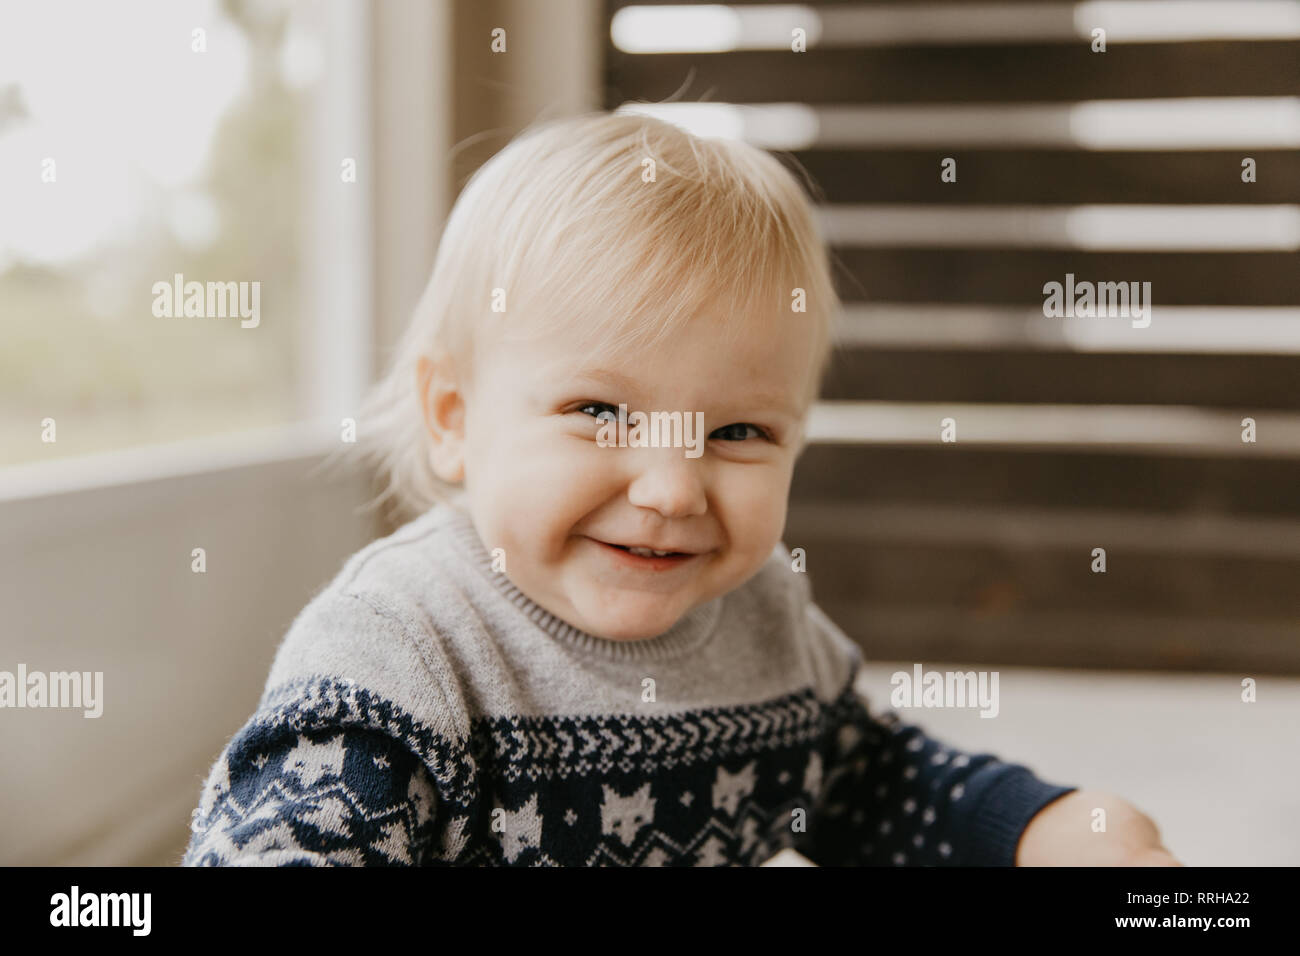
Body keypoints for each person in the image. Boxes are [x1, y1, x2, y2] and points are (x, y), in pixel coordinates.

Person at [182, 111, 1179, 866]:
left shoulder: (761, 613)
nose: (669, 488)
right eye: (599, 412)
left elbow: (869, 780)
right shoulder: (398, 650)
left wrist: (1046, 827)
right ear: (452, 418)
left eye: (738, 430)